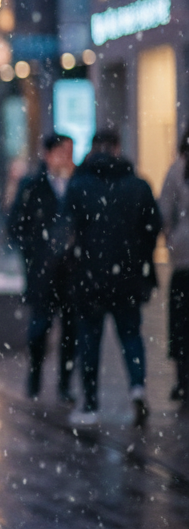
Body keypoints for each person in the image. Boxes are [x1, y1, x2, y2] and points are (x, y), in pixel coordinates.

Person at [64, 130, 162, 426]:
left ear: (92, 150)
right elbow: (153, 225)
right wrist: (137, 257)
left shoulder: (79, 185)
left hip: (89, 277)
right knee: (131, 335)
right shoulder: (138, 185)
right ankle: (137, 388)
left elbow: (67, 229)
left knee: (89, 340)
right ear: (118, 148)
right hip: (128, 277)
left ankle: (91, 403)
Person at [8, 133, 77, 403]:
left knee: (70, 332)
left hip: (72, 272)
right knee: (39, 328)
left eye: (70, 152)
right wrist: (34, 252)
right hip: (42, 272)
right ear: (48, 155)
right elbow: (15, 225)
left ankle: (64, 384)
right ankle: (35, 379)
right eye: (62, 152)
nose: (67, 158)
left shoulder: (78, 184)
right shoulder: (32, 185)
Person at [159, 127, 189, 405]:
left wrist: (173, 241)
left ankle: (183, 382)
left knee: (181, 325)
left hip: (183, 260)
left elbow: (163, 212)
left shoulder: (178, 169)